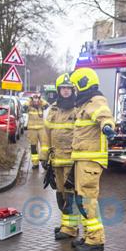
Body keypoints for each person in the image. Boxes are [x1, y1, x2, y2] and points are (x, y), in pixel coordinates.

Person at [69, 67, 116, 251]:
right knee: (82, 199)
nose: (74, 90)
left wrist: (107, 127)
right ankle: (90, 235)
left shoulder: (96, 101)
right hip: (83, 159)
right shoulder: (84, 104)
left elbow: (105, 117)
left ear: (83, 83)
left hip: (90, 160)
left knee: (87, 200)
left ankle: (96, 240)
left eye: (75, 86)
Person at [40, 74, 78, 241]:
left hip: (71, 161)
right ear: (58, 90)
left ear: (73, 90)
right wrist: (44, 157)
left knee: (70, 195)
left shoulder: (77, 108)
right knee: (61, 194)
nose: (66, 91)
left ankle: (70, 228)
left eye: (69, 88)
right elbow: (46, 134)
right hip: (57, 161)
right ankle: (65, 224)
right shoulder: (53, 109)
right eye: (63, 88)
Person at [26, 93, 48, 169]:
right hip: (32, 129)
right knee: (33, 146)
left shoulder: (41, 106)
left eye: (37, 99)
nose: (36, 101)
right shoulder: (29, 107)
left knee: (45, 146)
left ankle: (44, 161)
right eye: (34, 99)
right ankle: (35, 163)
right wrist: (29, 100)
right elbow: (23, 107)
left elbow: (47, 105)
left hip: (41, 128)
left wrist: (40, 99)